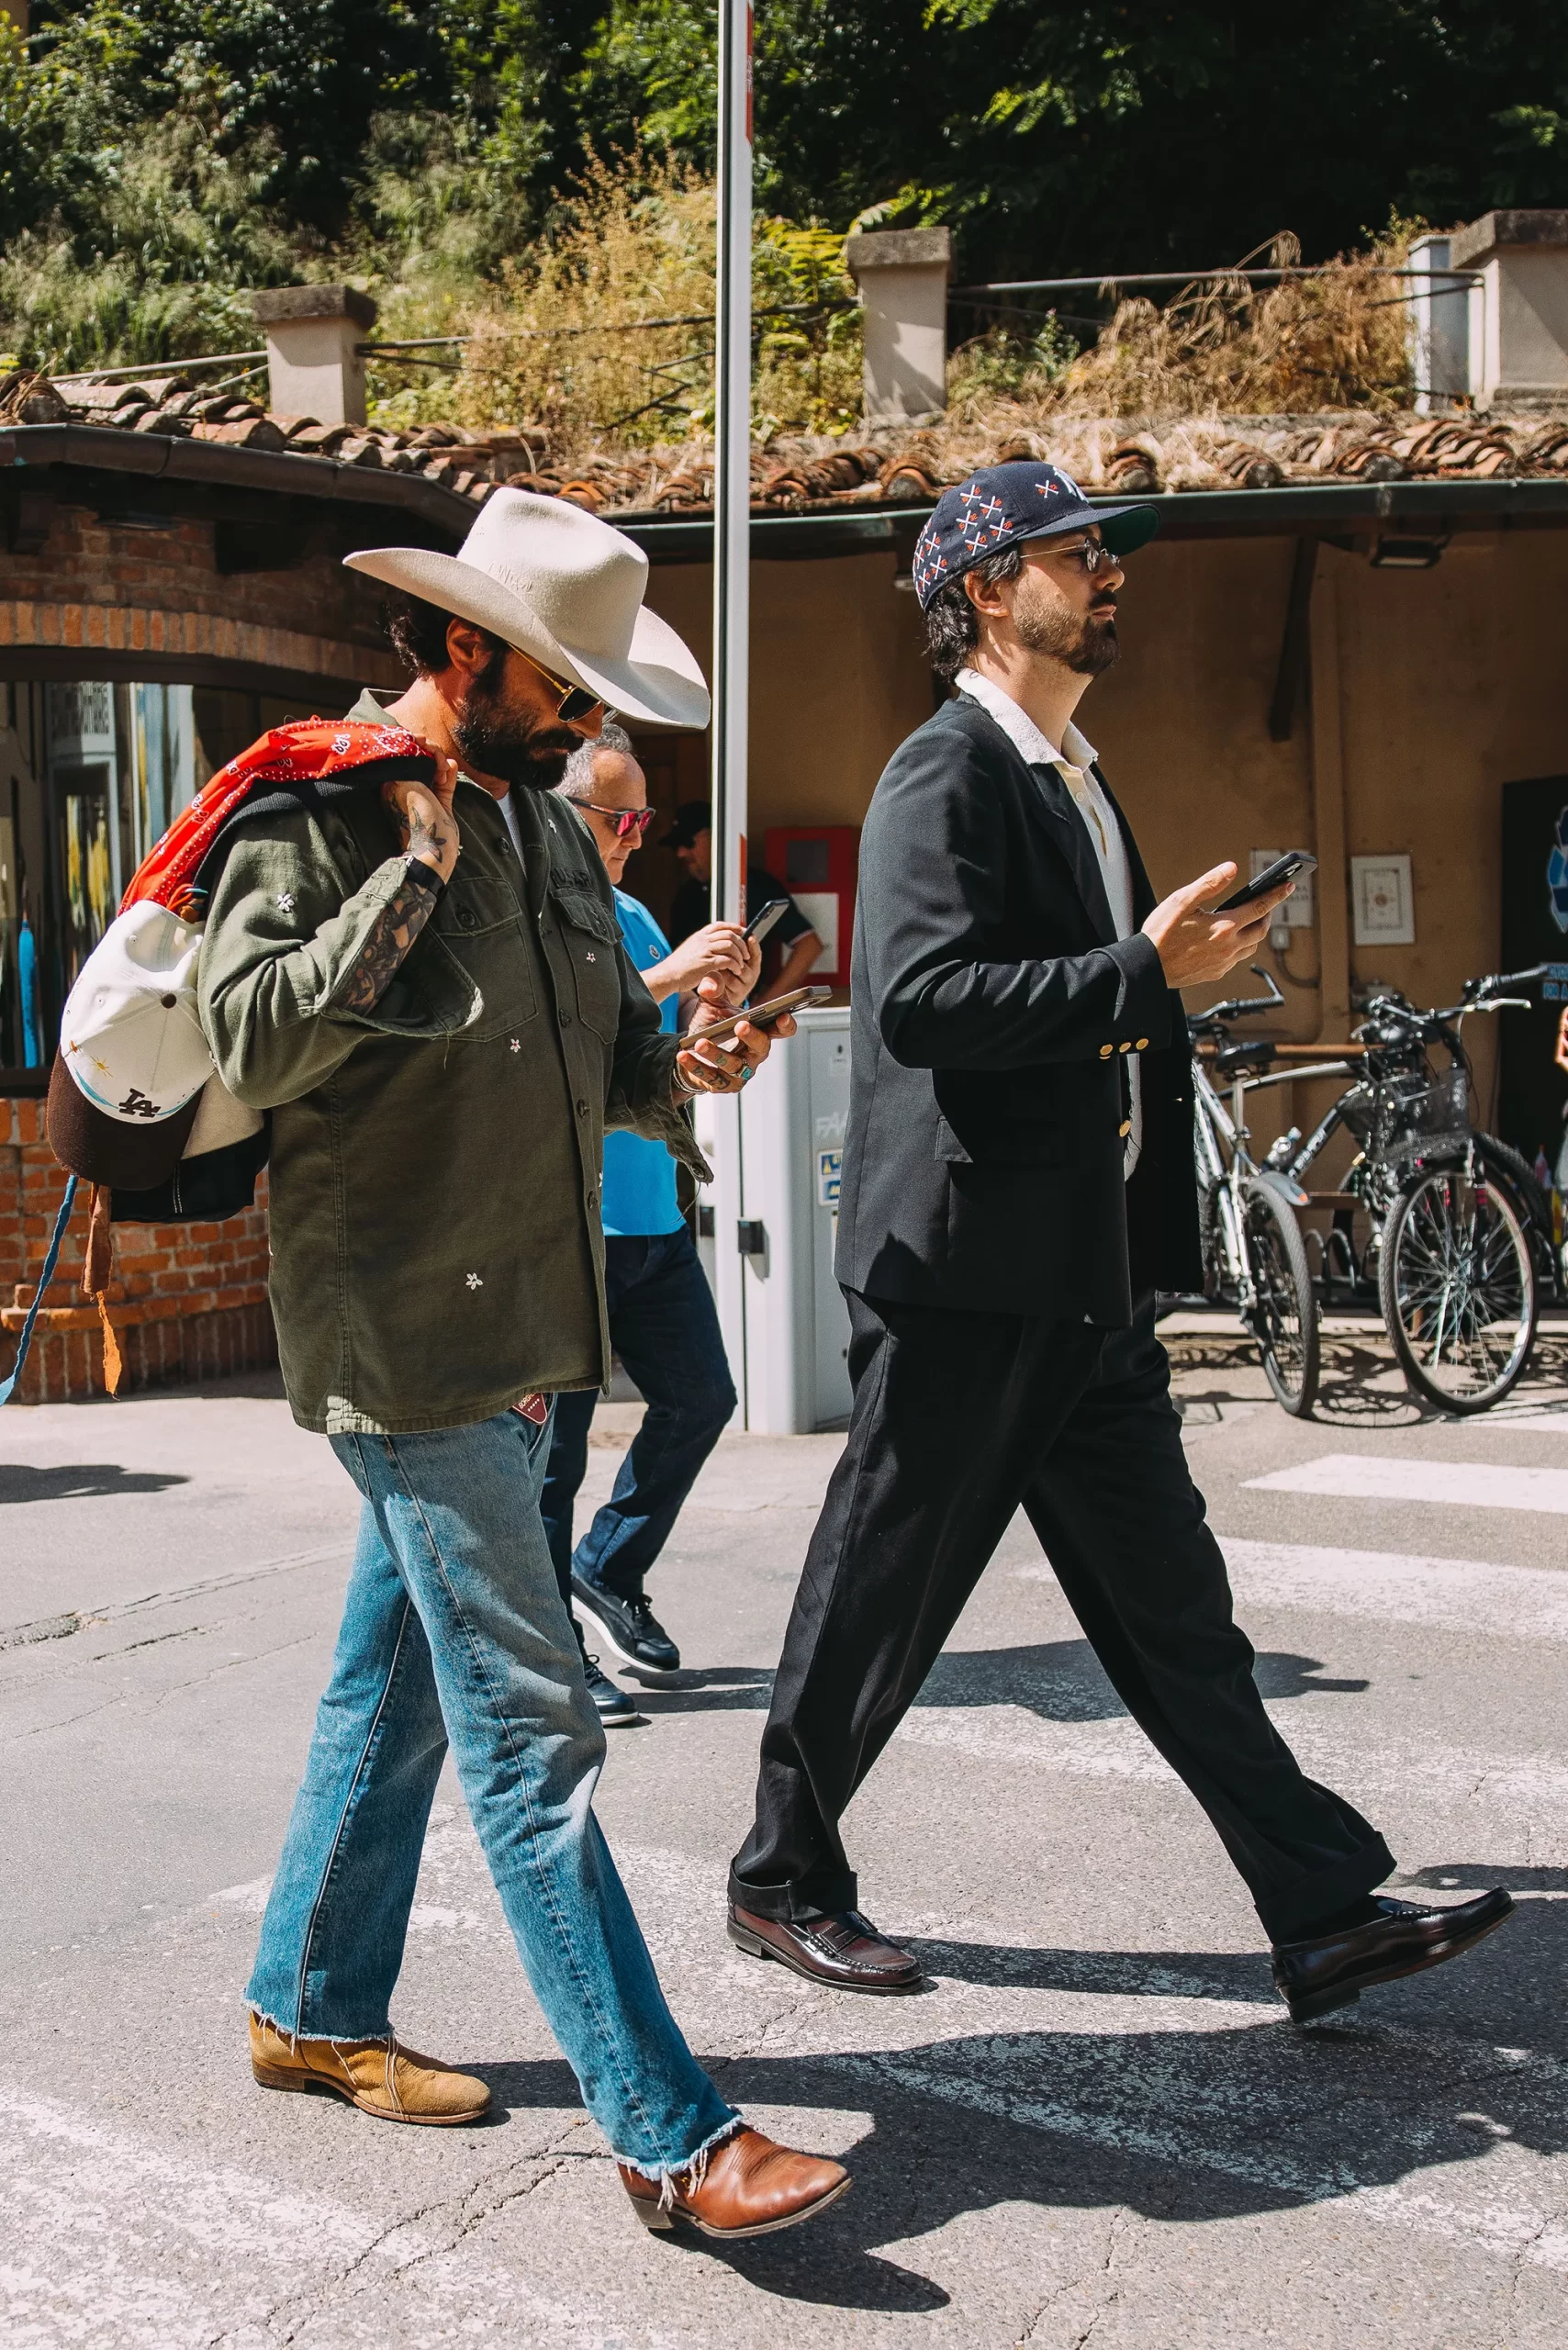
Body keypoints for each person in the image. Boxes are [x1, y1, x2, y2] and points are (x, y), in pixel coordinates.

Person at [725, 461, 1513, 2026]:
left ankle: (1318, 1908)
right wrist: (1134, 969)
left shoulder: (1072, 777)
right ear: (978, 588)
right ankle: (778, 1879)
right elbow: (919, 1004)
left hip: (1073, 1274)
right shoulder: (941, 772)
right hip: (960, 1278)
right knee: (877, 1594)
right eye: (1072, 554)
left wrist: (1171, 971)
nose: (1107, 575)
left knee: (1173, 1615)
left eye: (1101, 553)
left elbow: (1102, 996)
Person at [201, 488, 847, 2240]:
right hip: (407, 1331)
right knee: (529, 1732)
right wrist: (409, 866)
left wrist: (697, 1054)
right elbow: (250, 1037)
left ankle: (310, 2007)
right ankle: (670, 2134)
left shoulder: (557, 837)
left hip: (536, 1331)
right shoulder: (323, 807)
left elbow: (601, 1064)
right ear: (468, 649)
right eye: (565, 688)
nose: (588, 724)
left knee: (393, 1686)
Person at [541, 725, 758, 1717]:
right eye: (615, 817)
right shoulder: (536, 912)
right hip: (569, 1231)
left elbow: (659, 1064)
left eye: (640, 819)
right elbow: (571, 1033)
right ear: (563, 811)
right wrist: (669, 979)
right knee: (556, 1456)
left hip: (649, 1216)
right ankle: (556, 1656)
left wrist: (725, 1024)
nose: (632, 836)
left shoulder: (630, 912)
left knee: (701, 1398)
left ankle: (609, 1567)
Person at [664, 800, 823, 994]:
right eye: (676, 846)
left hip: (742, 1010)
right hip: (694, 1014)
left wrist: (764, 1005)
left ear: (716, 837)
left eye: (688, 842)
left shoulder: (757, 884)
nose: (681, 853)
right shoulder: (685, 896)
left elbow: (808, 945)